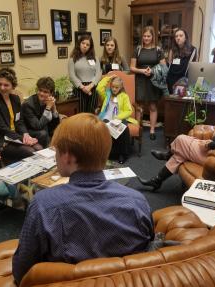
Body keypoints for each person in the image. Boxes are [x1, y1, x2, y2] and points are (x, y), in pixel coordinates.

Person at [12, 113, 153, 284]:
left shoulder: (43, 205)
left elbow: (21, 271)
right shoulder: (138, 202)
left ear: (68, 157)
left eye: (56, 151)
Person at [0, 68, 42, 164]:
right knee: (31, 151)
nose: (2, 87)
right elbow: (2, 128)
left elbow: (19, 121)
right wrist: (23, 140)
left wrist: (26, 134)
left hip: (15, 137)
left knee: (39, 148)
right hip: (2, 140)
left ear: (13, 86)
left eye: (6, 85)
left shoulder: (15, 99)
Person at [130, 26, 166, 140]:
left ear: (152, 37)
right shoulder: (138, 49)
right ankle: (137, 128)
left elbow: (163, 66)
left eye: (148, 36)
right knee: (139, 106)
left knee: (152, 106)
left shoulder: (158, 50)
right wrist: (142, 71)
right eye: (144, 36)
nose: (146, 38)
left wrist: (153, 71)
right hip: (140, 80)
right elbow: (132, 67)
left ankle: (152, 130)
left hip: (153, 80)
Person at [97, 74, 137, 164]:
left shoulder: (124, 96)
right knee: (105, 128)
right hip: (106, 117)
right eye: (112, 87)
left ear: (121, 87)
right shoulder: (107, 94)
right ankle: (108, 153)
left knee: (124, 129)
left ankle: (123, 154)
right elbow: (98, 88)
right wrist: (108, 78)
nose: (114, 89)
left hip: (119, 118)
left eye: (116, 87)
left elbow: (128, 111)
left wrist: (118, 117)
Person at [21, 77, 60, 147]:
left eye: (45, 92)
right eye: (40, 90)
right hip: (30, 132)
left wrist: (54, 109)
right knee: (43, 133)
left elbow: (56, 125)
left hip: (44, 129)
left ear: (51, 93)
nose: (41, 93)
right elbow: (37, 126)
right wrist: (48, 108)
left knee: (59, 130)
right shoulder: (28, 104)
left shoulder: (49, 101)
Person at [68, 34, 102, 114]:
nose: (85, 46)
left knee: (91, 114)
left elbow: (99, 73)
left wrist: (90, 86)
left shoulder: (95, 58)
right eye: (83, 43)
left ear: (90, 47)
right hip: (79, 89)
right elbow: (72, 76)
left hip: (93, 88)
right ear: (79, 44)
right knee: (81, 114)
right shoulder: (73, 59)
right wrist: (83, 88)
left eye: (87, 44)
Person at [166, 28, 197, 94]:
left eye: (181, 35)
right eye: (176, 36)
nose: (178, 38)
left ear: (185, 38)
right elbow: (169, 65)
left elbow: (194, 68)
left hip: (184, 81)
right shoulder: (172, 50)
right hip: (171, 80)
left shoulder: (193, 50)